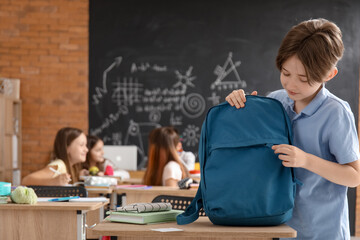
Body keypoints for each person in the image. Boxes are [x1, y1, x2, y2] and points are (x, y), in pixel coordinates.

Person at [225, 18, 360, 240]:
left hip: (322, 233)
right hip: (277, 227)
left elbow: (354, 177)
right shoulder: (276, 100)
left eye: (303, 78)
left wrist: (306, 160)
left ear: (329, 75)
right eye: (285, 73)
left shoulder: (336, 113)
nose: (291, 85)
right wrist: (242, 109)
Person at [22, 127, 88, 186]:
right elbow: (26, 180)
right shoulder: (59, 165)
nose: (86, 149)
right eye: (82, 145)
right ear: (67, 148)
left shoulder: (72, 167)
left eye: (86, 145)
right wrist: (54, 181)